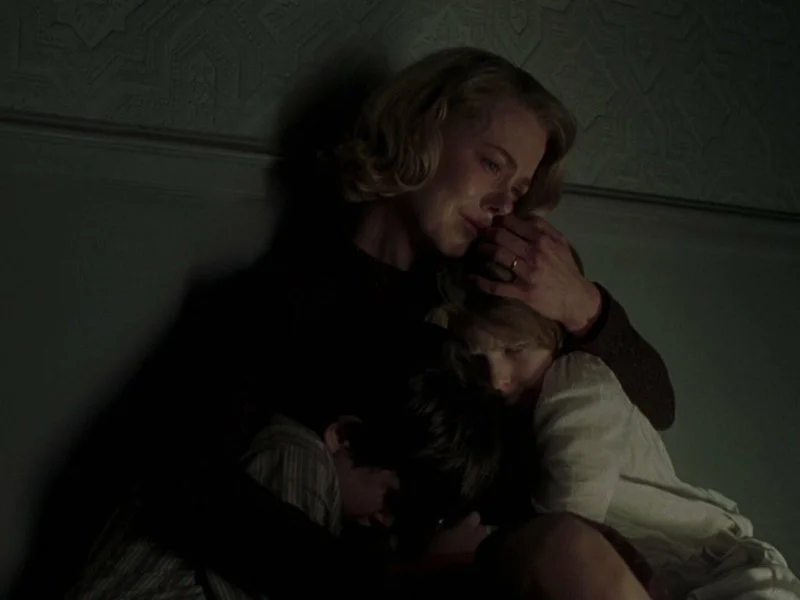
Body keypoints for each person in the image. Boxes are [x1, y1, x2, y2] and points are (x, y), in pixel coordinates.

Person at [12, 47, 672, 600]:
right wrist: (389, 576)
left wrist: (581, 305)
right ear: (422, 132)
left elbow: (653, 408)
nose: (504, 201)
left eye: (520, 188)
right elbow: (186, 484)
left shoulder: (482, 310)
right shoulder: (281, 296)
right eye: (493, 163)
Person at [429, 266, 800, 600]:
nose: (497, 378)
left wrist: (469, 547)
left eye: (515, 349)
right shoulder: (505, 414)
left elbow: (567, 524)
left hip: (706, 571)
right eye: (478, 358)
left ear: (552, 336)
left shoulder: (577, 385)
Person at [67, 324, 507, 599]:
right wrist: (434, 566)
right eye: (392, 500)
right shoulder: (298, 459)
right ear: (346, 438)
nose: (385, 522)